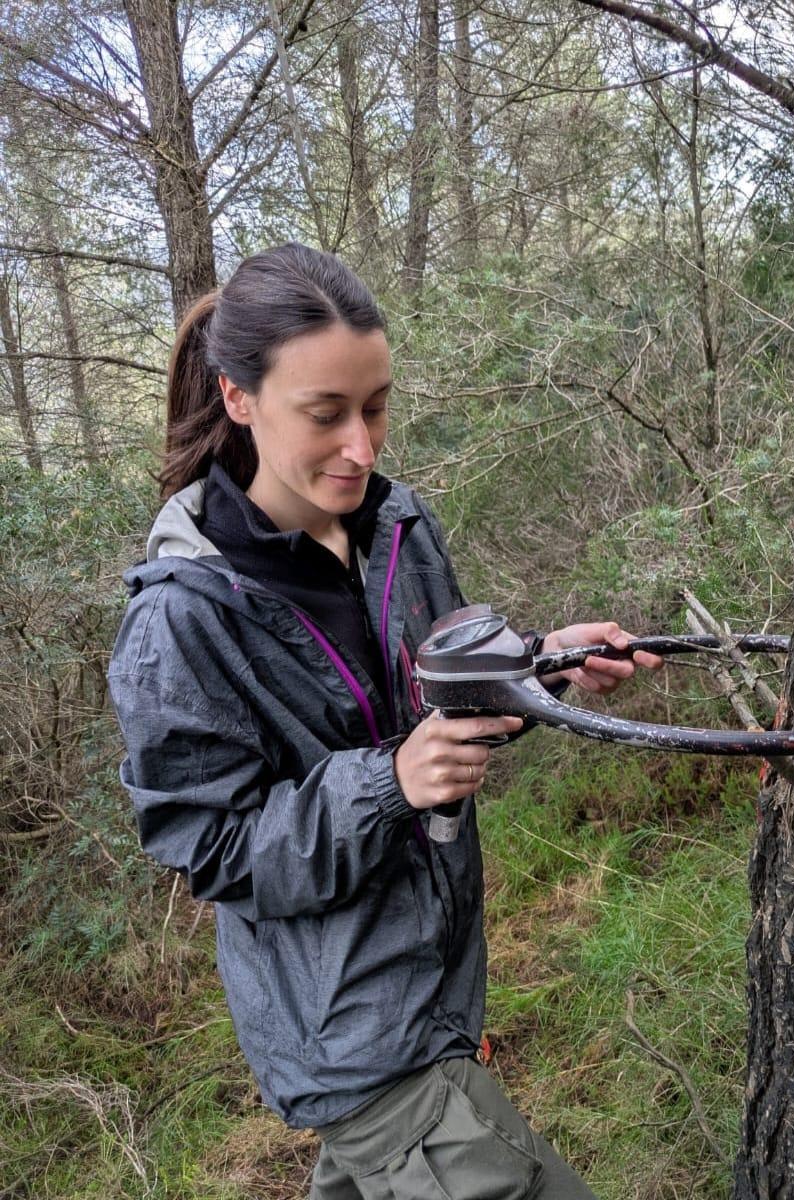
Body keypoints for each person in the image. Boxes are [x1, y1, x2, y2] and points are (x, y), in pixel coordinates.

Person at [106, 243, 663, 1199]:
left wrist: (541, 666)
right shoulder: (182, 615)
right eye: (325, 416)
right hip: (356, 1038)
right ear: (239, 397)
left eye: (375, 407)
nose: (362, 447)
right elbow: (214, 849)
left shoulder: (396, 525)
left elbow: (442, 705)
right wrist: (391, 781)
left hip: (442, 985)